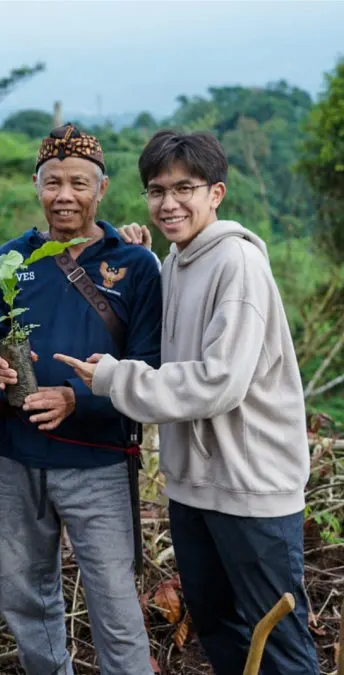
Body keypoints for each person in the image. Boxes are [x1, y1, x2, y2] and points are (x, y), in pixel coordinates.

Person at [57, 130, 317, 675]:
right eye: (156, 191)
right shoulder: (176, 261)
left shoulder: (237, 265)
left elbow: (219, 382)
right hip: (195, 487)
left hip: (251, 488)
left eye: (184, 189)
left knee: (280, 643)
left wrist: (114, 378)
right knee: (219, 627)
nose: (168, 203)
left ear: (216, 193)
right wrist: (142, 256)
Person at [0, 123, 162, 675]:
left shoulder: (135, 266)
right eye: (52, 182)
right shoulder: (12, 260)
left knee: (114, 604)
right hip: (15, 458)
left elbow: (149, 367)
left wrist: (79, 398)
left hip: (97, 459)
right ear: (36, 185)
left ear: (101, 189)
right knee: (24, 595)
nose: (64, 195)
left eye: (79, 183)